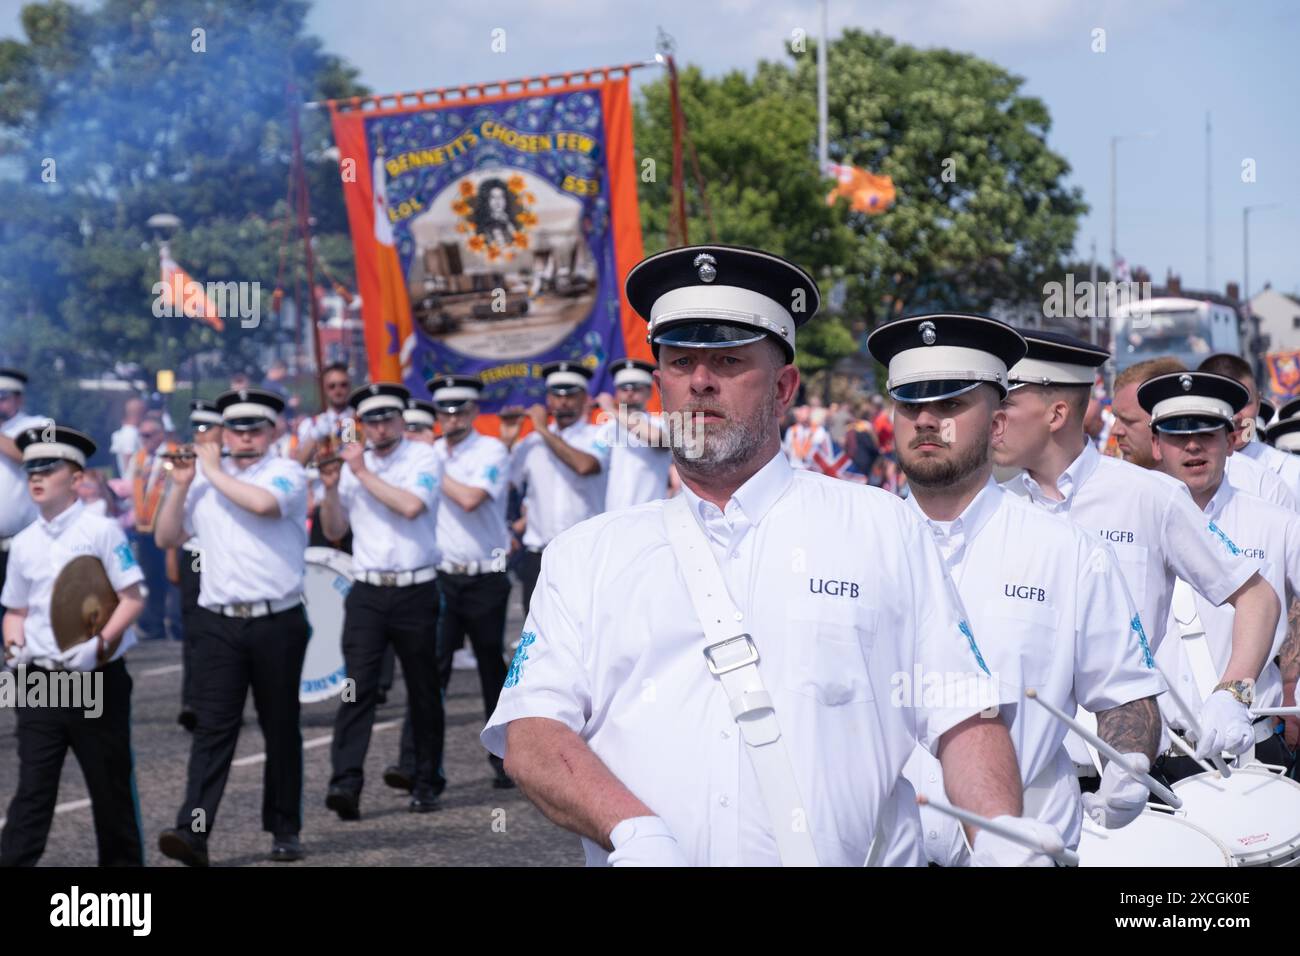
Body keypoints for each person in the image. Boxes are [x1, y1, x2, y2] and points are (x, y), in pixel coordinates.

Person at [482, 245, 1063, 867]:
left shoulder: (883, 528)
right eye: (680, 362)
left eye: (728, 360)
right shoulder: (586, 555)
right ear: (661, 386)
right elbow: (533, 731)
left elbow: (963, 715)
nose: (700, 381)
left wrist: (1001, 839)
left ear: (784, 387)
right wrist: (632, 831)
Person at [872, 315, 1164, 866]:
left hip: (1025, 852)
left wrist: (1129, 760)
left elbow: (1126, 693)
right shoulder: (854, 544)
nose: (927, 419)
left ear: (998, 423)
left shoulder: (1068, 552)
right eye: (910, 403)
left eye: (952, 403)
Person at [997, 331, 1280, 765]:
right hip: (1015, 769)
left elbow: (1256, 595)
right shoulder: (994, 507)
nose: (993, 421)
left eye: (1006, 405)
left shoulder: (1150, 496)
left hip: (1131, 770)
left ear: (1056, 414)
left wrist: (1233, 692)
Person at [154, 387, 310, 866]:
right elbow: (165, 536)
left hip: (276, 620)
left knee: (279, 727)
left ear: (272, 431)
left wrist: (213, 471)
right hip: (219, 623)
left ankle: (284, 829)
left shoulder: (287, 472)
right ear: (224, 433)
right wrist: (181, 483)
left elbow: (263, 505)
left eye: (254, 429)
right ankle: (193, 831)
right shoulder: (201, 480)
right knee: (213, 730)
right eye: (235, 430)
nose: (244, 438)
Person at [1136, 370, 1299, 777]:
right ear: (1156, 444)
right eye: (1176, 434)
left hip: (1252, 749)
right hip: (1158, 756)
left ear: (1231, 441)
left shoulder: (1277, 523)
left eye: (1207, 434)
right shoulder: (1128, 520)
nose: (1192, 446)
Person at [0, 425, 146, 866]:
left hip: (95, 677)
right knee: (32, 791)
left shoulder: (100, 531)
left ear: (77, 478)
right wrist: (13, 648)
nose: (37, 477)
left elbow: (133, 598)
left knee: (109, 790)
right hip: (37, 680)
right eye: (30, 470)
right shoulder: (23, 542)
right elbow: (15, 611)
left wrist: (98, 645)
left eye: (48, 468)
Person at [319, 383, 445, 818]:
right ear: (362, 426)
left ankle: (426, 778)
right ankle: (345, 783)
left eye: (387, 418)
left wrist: (361, 473)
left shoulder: (423, 456)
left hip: (416, 587)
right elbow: (334, 529)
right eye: (370, 421)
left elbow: (411, 506)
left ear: (400, 419)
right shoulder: (356, 466)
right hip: (368, 590)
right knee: (357, 689)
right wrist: (333, 489)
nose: (379, 427)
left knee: (423, 688)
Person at [500, 361, 609, 617]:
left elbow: (584, 466)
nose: (563, 403)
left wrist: (540, 429)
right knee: (538, 640)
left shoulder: (600, 434)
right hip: (539, 557)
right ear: (548, 399)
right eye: (557, 396)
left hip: (587, 555)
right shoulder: (530, 443)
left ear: (585, 398)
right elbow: (503, 487)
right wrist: (507, 443)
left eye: (571, 395)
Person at [1113, 358, 1296, 510]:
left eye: (1128, 420)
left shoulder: (1263, 488)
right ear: (1156, 442)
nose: (1116, 430)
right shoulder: (1116, 491)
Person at [169, 398, 221, 733]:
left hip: (226, 556)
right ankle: (192, 701)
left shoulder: (230, 465)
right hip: (195, 553)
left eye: (206, 428)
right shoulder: (185, 467)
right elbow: (172, 520)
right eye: (196, 428)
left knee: (223, 632)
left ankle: (219, 699)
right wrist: (171, 556)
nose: (199, 435)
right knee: (194, 632)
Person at [1199, 353, 1300, 501]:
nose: (1236, 417)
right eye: (1225, 405)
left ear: (1258, 403)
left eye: (1245, 403)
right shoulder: (1185, 472)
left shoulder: (1290, 472)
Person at [127, 413, 180, 641]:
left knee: (174, 576)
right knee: (151, 577)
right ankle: (154, 623)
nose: (145, 439)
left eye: (149, 435)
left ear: (161, 434)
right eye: (142, 435)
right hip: (145, 527)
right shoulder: (138, 459)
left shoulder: (175, 454)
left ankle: (178, 623)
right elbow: (130, 486)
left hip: (168, 527)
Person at [597, 358, 672, 510]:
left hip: (651, 515)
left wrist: (611, 409)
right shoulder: (607, 429)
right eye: (624, 388)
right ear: (616, 392)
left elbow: (657, 439)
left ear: (650, 392)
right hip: (613, 516)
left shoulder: (662, 423)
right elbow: (592, 463)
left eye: (637, 388)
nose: (630, 393)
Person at [0, 369, 45, 604]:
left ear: (19, 399)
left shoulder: (38, 425)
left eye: (2, 398)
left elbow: (36, 457)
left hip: (22, 541)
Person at [780, 404, 833, 470]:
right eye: (801, 413)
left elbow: (827, 453)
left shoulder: (819, 431)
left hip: (812, 470)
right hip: (794, 467)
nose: (804, 417)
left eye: (807, 413)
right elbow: (787, 450)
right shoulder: (792, 430)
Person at [109, 396, 145, 479]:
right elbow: (128, 458)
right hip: (133, 482)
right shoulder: (131, 433)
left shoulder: (121, 433)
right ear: (141, 413)